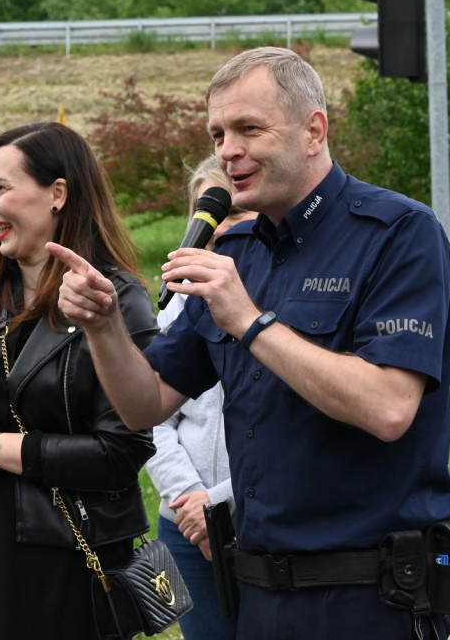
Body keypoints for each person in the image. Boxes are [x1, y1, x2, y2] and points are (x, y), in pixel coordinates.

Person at [50, 46, 450, 640]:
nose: (227, 151)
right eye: (218, 133)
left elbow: (389, 407)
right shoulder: (234, 253)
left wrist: (251, 321)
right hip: (256, 593)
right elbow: (145, 404)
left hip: (368, 597)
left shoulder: (399, 233)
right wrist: (103, 327)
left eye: (249, 129)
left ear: (313, 131)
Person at [0, 121, 159, 639]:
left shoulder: (113, 299)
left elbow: (119, 453)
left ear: (57, 194)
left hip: (68, 558)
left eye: (1, 188)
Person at [144, 154, 253, 640]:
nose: (212, 227)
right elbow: (153, 419)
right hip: (185, 524)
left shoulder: (281, 303)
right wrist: (189, 499)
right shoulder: (178, 306)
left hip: (251, 517)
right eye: (204, 213)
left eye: (228, 212)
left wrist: (220, 503)